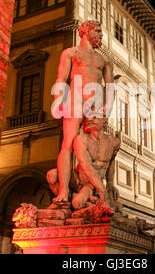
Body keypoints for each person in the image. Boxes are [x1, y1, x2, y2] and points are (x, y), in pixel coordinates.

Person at [51, 20, 114, 203]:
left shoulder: (105, 59)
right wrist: (58, 101)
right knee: (68, 144)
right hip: (76, 99)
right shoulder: (71, 53)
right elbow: (61, 79)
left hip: (96, 103)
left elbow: (110, 87)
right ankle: (63, 191)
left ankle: (93, 190)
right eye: (98, 31)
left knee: (96, 148)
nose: (102, 35)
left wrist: (107, 109)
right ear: (86, 31)